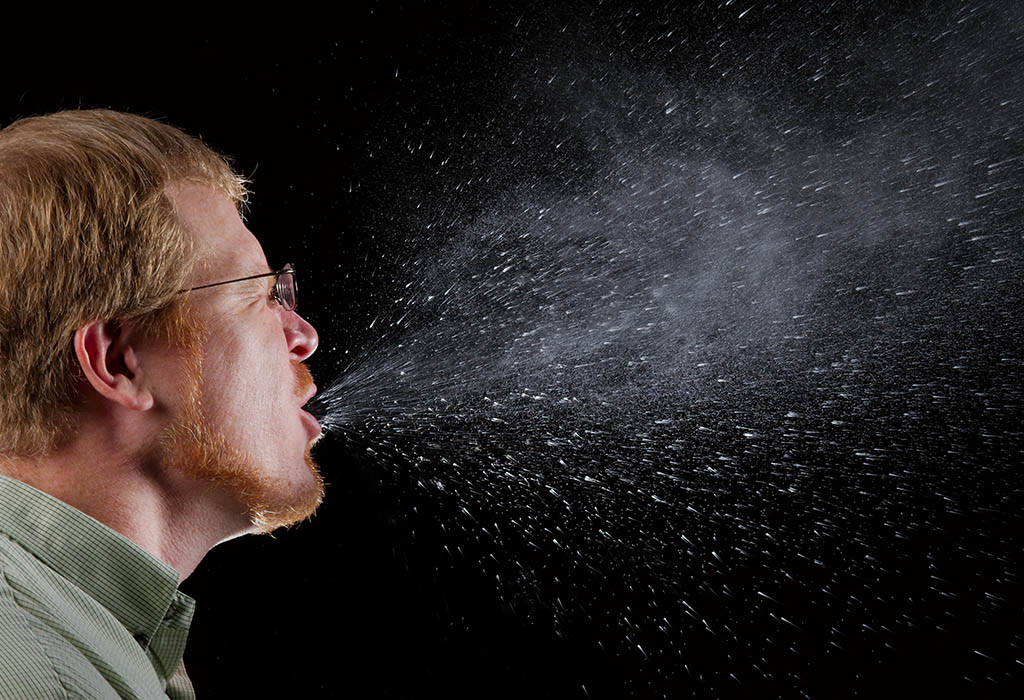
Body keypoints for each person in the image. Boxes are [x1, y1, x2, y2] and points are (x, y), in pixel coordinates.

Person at [0, 109, 324, 698]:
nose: (303, 336)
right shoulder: (42, 676)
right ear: (121, 361)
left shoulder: (90, 639)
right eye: (258, 294)